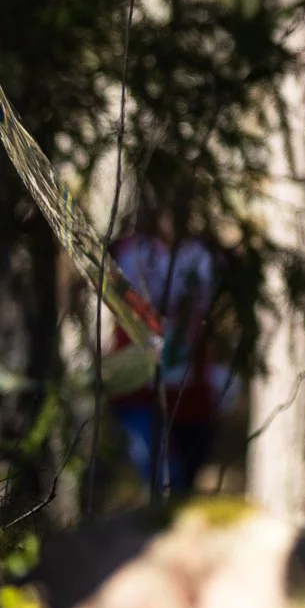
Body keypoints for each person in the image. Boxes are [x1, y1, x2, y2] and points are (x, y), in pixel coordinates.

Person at [110, 195, 230, 497]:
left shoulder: (203, 256)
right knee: (164, 483)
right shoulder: (129, 252)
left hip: (193, 398)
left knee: (183, 487)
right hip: (139, 394)